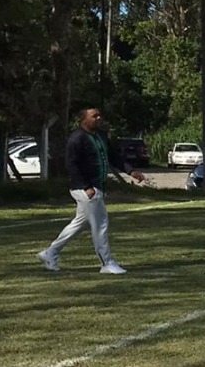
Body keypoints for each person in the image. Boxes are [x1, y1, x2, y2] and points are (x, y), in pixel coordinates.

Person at [38, 108, 145, 274]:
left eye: (99, 115)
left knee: (79, 224)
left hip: (96, 187)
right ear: (83, 119)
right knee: (100, 223)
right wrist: (86, 187)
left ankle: (50, 253)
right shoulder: (77, 138)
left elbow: (114, 157)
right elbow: (71, 165)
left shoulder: (101, 136)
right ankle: (107, 263)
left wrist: (131, 171)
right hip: (85, 189)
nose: (98, 118)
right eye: (94, 116)